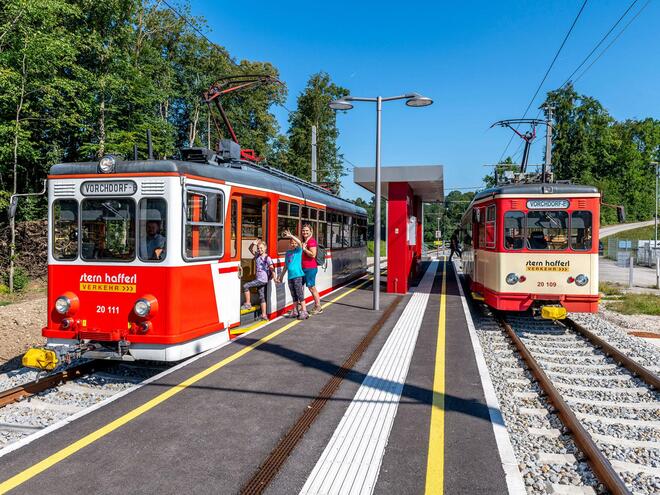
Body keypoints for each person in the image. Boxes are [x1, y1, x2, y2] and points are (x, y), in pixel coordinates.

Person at [275, 229, 308, 320]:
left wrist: (291, 236)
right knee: (293, 294)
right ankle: (295, 310)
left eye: (294, 243)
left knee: (299, 293)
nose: (293, 244)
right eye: (291, 243)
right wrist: (281, 276)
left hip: (298, 275)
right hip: (290, 276)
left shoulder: (298, 251)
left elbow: (300, 243)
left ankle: (304, 311)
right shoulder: (288, 253)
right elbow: (286, 266)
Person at [241, 239, 274, 321]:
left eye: (261, 248)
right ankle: (264, 315)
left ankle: (248, 303)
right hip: (260, 279)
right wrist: (253, 244)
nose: (260, 250)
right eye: (258, 248)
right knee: (262, 297)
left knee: (246, 286)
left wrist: (275, 277)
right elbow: (250, 249)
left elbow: (272, 268)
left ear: (265, 248)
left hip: (262, 279)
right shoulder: (257, 256)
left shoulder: (267, 258)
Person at [301, 223, 322, 314]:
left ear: (310, 231)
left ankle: (318, 307)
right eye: (303, 230)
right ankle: (301, 307)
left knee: (311, 287)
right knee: (300, 287)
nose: (304, 232)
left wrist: (304, 249)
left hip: (310, 268)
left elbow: (313, 255)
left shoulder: (311, 241)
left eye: (306, 230)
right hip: (304, 268)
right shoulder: (305, 241)